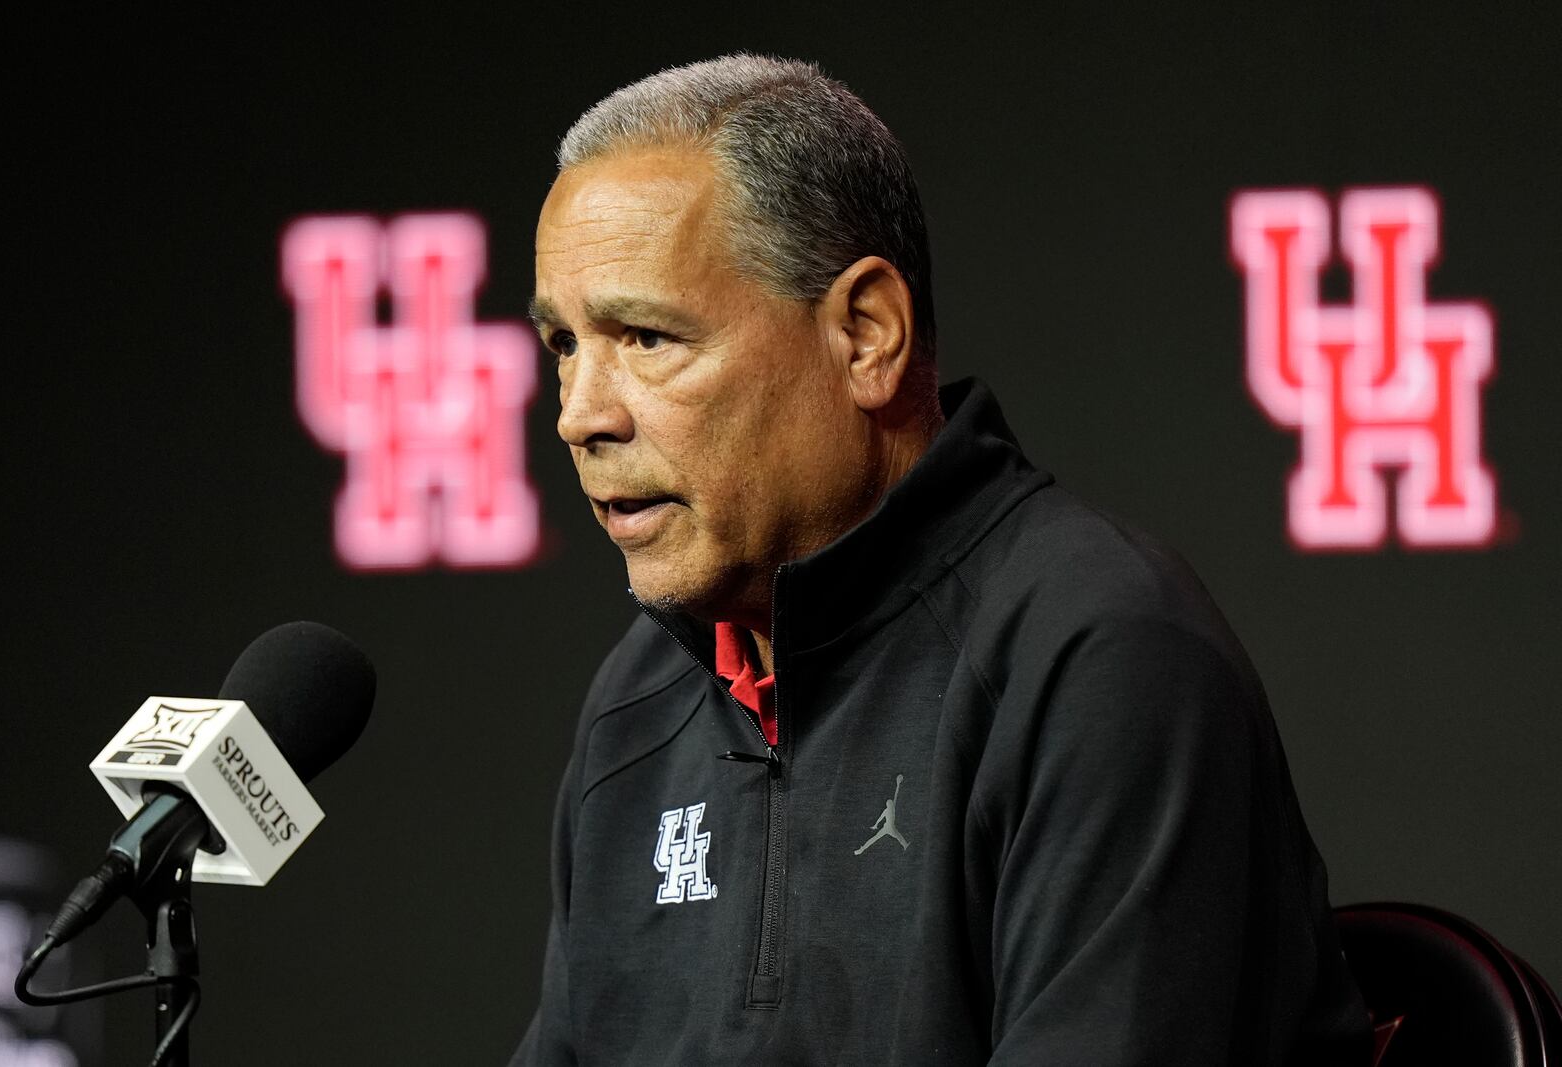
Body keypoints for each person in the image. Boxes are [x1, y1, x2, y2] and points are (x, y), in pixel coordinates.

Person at [514, 54, 1371, 1065]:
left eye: (647, 337)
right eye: (563, 345)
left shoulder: (1096, 652)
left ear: (864, 334)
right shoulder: (640, 696)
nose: (580, 414)